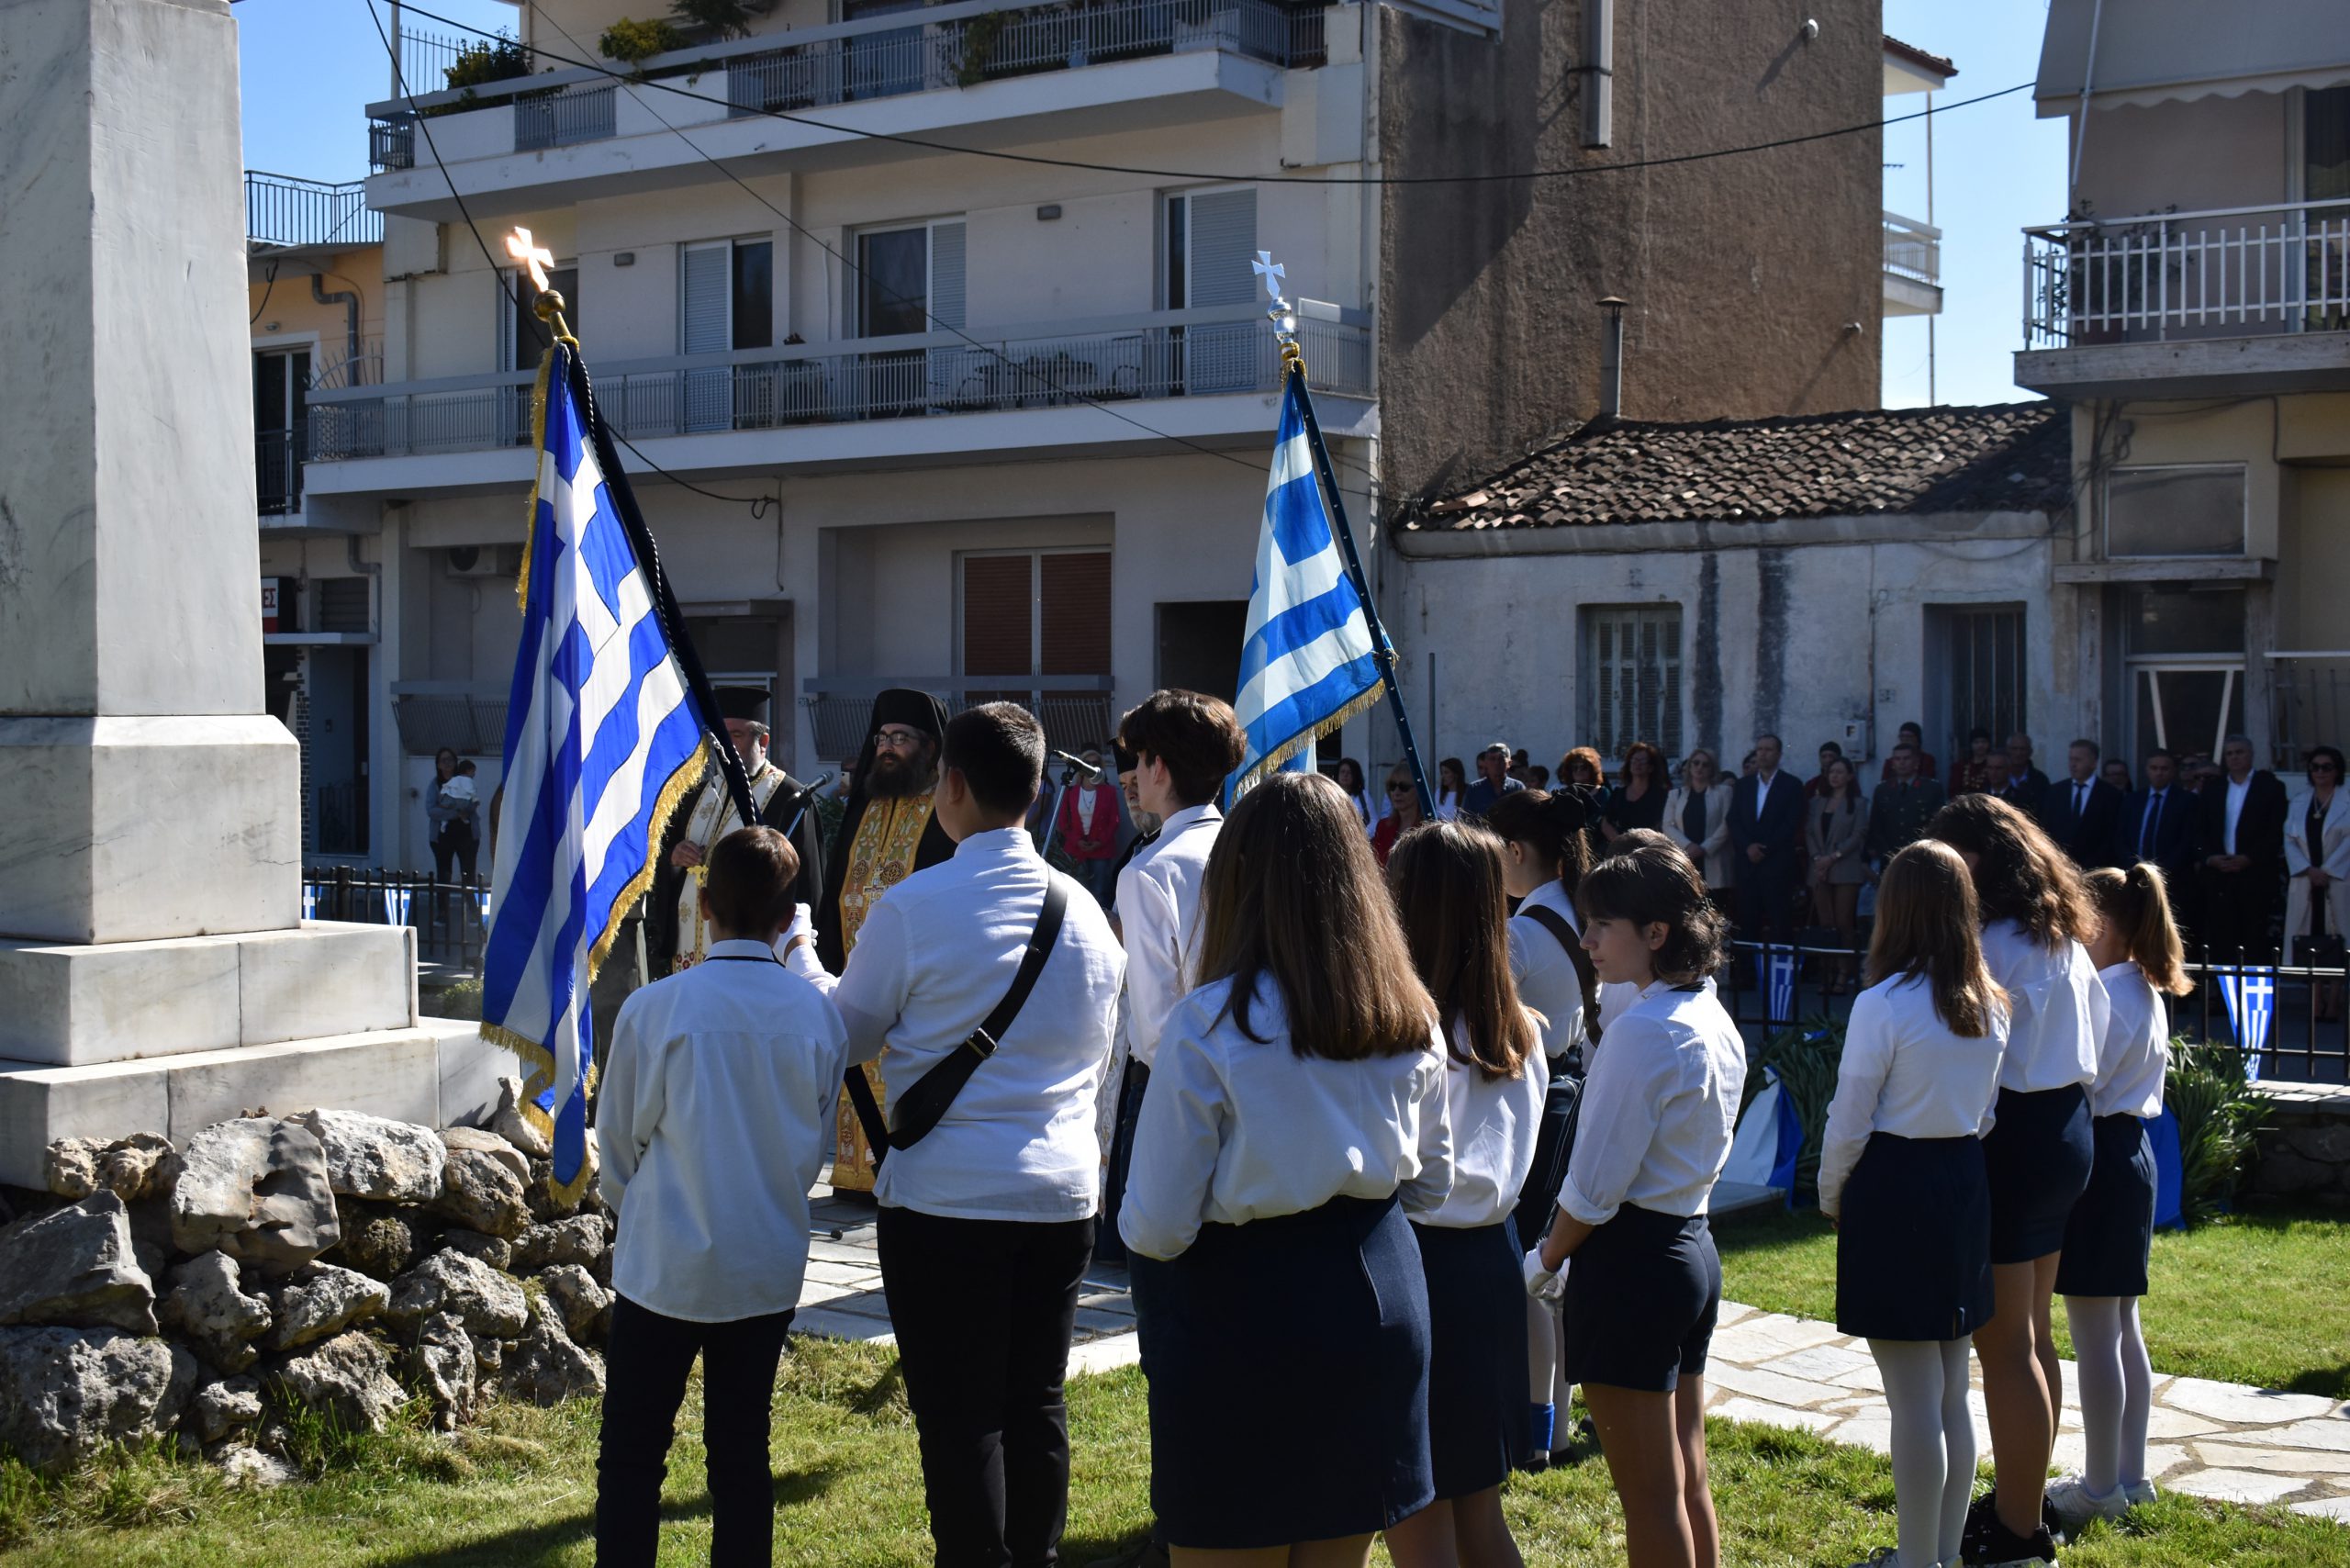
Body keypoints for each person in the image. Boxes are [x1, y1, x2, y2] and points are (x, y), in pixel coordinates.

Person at [791, 703, 1125, 1568]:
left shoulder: (914, 907)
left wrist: (801, 957)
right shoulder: (1088, 914)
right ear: (1039, 788)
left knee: (961, 1413)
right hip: (1058, 1194)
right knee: (1036, 1400)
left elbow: (846, 1036)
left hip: (946, 1201)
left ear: (953, 787)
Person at [1120, 771, 1453, 1562]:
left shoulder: (1210, 1022)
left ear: (1238, 879)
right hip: (1378, 1290)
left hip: (1246, 1307)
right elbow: (1433, 1183)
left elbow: (1159, 1223)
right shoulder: (1409, 1012)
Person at [596, 825, 849, 1568]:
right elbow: (811, 1138)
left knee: (634, 1455)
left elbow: (619, 1141)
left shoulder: (659, 1008)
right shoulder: (814, 1016)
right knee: (741, 1453)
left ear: (703, 904)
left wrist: (640, 1208)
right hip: (763, 1256)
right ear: (788, 916)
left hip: (664, 1259)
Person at [1526, 846, 1743, 1568]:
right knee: (1685, 1475)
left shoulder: (1644, 1032)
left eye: (1600, 926)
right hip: (1690, 1246)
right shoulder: (1708, 1014)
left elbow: (1594, 1188)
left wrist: (1545, 1258)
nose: (1586, 942)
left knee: (1651, 1493)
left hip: (1636, 1264)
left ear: (1656, 934)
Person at [1817, 840, 2008, 1568]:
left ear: (1893, 911)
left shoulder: (1883, 1004)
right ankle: (1945, 1557)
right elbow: (1985, 1113)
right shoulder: (1993, 1004)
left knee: (1914, 1400)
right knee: (1951, 1390)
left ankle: (1918, 1561)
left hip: (1895, 1184)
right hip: (1962, 1178)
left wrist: (1835, 1196)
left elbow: (1849, 1120)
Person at [1925, 795, 2104, 1568]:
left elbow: (1978, 1059)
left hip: (2019, 1137)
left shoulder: (1992, 942)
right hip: (2067, 1128)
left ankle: (2018, 1532)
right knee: (2033, 1335)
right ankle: (2019, 1508)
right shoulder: (2059, 934)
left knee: (2007, 1348)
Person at [1101, 689, 1248, 1567]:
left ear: (1160, 767)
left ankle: (1184, 1527)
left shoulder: (1151, 868)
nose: (1130, 779)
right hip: (1270, 1094)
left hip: (1182, 1097)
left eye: (1137, 761)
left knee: (1179, 1329)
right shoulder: (1248, 844)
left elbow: (1156, 1030)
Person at [1382, 822, 1544, 1568]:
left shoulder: (1409, 1035)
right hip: (1491, 1263)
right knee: (1478, 1509)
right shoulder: (1522, 1030)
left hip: (1425, 1266)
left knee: (1418, 1518)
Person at [2044, 863, 2193, 1533]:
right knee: (2122, 1326)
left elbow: (2078, 1076)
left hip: (2103, 1159)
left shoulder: (2107, 992)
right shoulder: (2143, 986)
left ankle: (2101, 1486)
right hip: (2131, 1155)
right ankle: (2128, 1475)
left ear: (2100, 922)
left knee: (2096, 1334)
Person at [1487, 786, 1599, 1473]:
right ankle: (1552, 1426)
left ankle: (1532, 1428)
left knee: (1527, 1264)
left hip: (1539, 1094)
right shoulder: (1576, 910)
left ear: (1517, 851)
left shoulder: (1522, 931)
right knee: (1550, 1268)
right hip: (1573, 1089)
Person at [818, 688, 957, 1196]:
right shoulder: (865, 805)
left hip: (914, 977)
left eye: (901, 738)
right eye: (882, 737)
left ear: (929, 747)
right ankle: (855, 1177)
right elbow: (835, 886)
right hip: (855, 972)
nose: (888, 748)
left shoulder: (945, 811)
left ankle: (899, 1178)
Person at [647, 688, 827, 980]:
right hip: (689, 948)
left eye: (737, 735)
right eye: (720, 736)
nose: (726, 746)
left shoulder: (789, 796)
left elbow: (806, 884)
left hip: (754, 953)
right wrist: (675, 859)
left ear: (763, 741)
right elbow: (666, 861)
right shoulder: (697, 795)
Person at [2197, 734, 2288, 966]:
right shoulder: (2213, 789)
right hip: (2220, 875)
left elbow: (2275, 831)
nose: (2235, 757)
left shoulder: (2270, 787)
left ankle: (2255, 1000)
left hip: (2255, 875)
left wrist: (2250, 858)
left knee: (2255, 939)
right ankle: (2223, 1000)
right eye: (2229, 753)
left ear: (2251, 754)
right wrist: (2210, 858)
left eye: (2239, 752)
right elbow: (2200, 829)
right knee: (2222, 940)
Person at [2286, 745, 2350, 1020]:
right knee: (2308, 940)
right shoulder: (2300, 801)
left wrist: (2328, 870)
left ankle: (2334, 1001)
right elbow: (2289, 839)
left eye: (2327, 767)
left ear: (2337, 770)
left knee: (2339, 938)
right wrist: (2307, 869)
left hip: (2338, 880)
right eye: (2315, 767)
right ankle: (2315, 1001)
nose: (2321, 772)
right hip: (2306, 881)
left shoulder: (2347, 800)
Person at [1729, 734, 1805, 941]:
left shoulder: (1792, 785)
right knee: (1747, 922)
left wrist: (1765, 848)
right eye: (1759, 749)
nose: (1762, 754)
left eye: (1768, 749)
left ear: (1779, 754)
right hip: (1747, 866)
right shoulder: (1743, 786)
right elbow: (1734, 820)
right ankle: (1749, 973)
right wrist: (1747, 847)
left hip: (1777, 864)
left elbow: (1791, 823)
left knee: (1780, 922)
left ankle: (1779, 971)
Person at [1807, 756, 1869, 993]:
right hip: (1819, 869)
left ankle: (1844, 973)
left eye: (1840, 772)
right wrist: (1817, 859)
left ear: (1850, 776)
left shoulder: (1859, 803)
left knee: (1843, 923)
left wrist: (1833, 857)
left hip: (1845, 868)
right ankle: (1828, 971)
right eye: (1832, 771)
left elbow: (1859, 833)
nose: (1835, 776)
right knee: (1826, 924)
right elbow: (1810, 832)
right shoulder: (1817, 802)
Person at [2041, 739, 2126, 872]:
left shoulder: (2111, 795)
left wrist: (2091, 865)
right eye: (2071, 760)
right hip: (2060, 867)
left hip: (2095, 869)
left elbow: (2112, 836)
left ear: (2093, 763)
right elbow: (2047, 829)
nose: (2073, 765)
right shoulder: (2056, 792)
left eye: (2078, 760)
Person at [1663, 750, 1735, 903]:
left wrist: (1704, 847)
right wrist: (1688, 846)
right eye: (1696, 763)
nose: (1699, 767)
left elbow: (1727, 823)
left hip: (1713, 858)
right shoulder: (1676, 795)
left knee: (1716, 909)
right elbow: (1668, 825)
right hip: (1687, 857)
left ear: (1712, 769)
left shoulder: (1724, 792)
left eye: (1705, 764)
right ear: (1689, 767)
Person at [1055, 747, 1124, 907]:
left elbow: (1115, 821)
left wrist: (1100, 842)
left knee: (1099, 891)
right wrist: (1077, 840)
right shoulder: (1071, 791)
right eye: (1087, 763)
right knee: (1078, 890)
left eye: (1095, 763)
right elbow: (1063, 822)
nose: (1091, 765)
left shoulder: (1109, 791)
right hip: (1076, 849)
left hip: (1101, 849)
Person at [2121, 750, 2197, 893]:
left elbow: (2186, 841)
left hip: (2172, 877)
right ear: (2147, 770)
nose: (2159, 773)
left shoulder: (2186, 801)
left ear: (2173, 771)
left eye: (2164, 768)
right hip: (2135, 875)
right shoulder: (2132, 800)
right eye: (2154, 768)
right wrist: (2133, 866)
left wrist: (2162, 870)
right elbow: (2121, 836)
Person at [1866, 742, 1947, 871]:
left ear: (1916, 762)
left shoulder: (1931, 788)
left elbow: (1938, 824)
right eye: (1897, 759)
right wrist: (1885, 852)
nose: (1902, 763)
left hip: (1922, 856)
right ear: (1892, 763)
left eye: (1906, 758)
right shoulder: (1883, 789)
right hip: (1890, 857)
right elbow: (1876, 825)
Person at [426, 746, 482, 890]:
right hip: (443, 837)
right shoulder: (434, 785)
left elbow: (472, 803)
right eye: (443, 760)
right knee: (444, 876)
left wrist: (464, 809)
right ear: (438, 764)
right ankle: (442, 911)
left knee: (468, 876)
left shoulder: (464, 781)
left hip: (466, 835)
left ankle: (472, 910)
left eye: (450, 759)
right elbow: (432, 810)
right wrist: (455, 813)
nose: (447, 763)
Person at [1603, 742, 1669, 842]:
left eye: (1642, 761)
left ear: (1651, 767)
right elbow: (1606, 823)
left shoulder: (1661, 795)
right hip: (1622, 849)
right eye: (1634, 760)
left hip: (1649, 848)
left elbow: (1664, 825)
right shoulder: (1618, 793)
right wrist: (1618, 842)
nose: (1637, 764)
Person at [1372, 764, 1428, 866]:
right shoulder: (1383, 827)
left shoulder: (1430, 828)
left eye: (1404, 787)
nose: (1396, 792)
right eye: (1392, 787)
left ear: (1419, 790)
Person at [1463, 742, 1523, 818]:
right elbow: (1466, 820)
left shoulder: (1517, 788)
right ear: (1486, 762)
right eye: (1492, 759)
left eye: (1501, 759)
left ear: (1509, 763)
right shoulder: (1474, 789)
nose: (1496, 763)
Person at [1997, 734, 2052, 814]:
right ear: (2007, 750)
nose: (2018, 753)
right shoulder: (1997, 776)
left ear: (2030, 752)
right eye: (2014, 749)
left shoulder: (2040, 780)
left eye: (2022, 749)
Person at [1880, 722, 1938, 789]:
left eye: (1909, 737)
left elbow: (1928, 784)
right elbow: (1885, 786)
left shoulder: (1927, 760)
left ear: (1917, 739)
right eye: (1902, 736)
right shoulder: (1890, 762)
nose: (1905, 739)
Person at [1948, 728, 1999, 798]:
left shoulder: (1994, 766)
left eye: (1983, 742)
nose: (1980, 745)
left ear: (1989, 744)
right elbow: (1953, 791)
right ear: (1971, 744)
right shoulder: (1960, 766)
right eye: (1976, 742)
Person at [1436, 757, 1467, 822]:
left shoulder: (1467, 792)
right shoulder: (1439, 793)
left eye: (1446, 772)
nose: (1443, 776)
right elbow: (1437, 816)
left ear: (1456, 774)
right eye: (1442, 773)